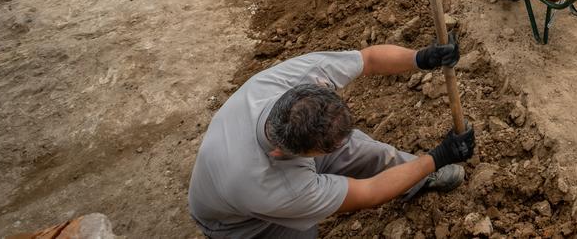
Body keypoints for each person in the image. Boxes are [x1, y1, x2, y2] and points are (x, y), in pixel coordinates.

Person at [188, 40, 474, 238]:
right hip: (240, 223)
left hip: (257, 160)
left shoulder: (288, 81)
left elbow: (369, 59)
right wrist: (438, 156)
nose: (344, 144)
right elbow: (370, 193)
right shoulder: (276, 188)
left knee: (365, 150)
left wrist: (421, 58)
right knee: (301, 233)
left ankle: (420, 177)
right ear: (285, 154)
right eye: (330, 148)